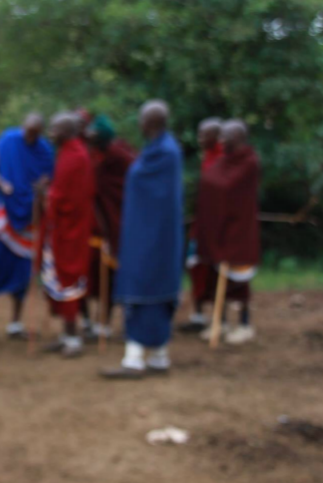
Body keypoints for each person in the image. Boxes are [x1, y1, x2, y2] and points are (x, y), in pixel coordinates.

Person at [101, 101, 184, 380]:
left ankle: (135, 359)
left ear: (150, 123)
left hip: (154, 238)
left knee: (145, 288)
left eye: (142, 119)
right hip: (145, 233)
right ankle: (158, 356)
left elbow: (154, 194)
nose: (139, 124)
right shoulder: (158, 149)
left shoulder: (165, 153)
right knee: (147, 286)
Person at [0, 114, 55, 340]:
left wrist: (42, 187)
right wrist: (2, 183)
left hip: (28, 217)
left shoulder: (45, 151)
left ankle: (15, 323)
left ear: (39, 133)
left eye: (33, 133)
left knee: (22, 269)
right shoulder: (8, 140)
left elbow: (48, 179)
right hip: (2, 213)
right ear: (22, 128)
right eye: (26, 131)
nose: (28, 136)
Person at [196, 120, 262, 345]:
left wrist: (213, 185)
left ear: (239, 139)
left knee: (240, 279)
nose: (221, 141)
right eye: (220, 137)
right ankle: (220, 321)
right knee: (217, 277)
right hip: (220, 229)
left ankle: (244, 324)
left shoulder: (249, 162)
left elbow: (226, 186)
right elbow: (210, 181)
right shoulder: (223, 160)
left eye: (226, 137)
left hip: (239, 229)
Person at [39, 113, 95, 358]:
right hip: (60, 228)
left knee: (68, 277)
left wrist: (46, 194)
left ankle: (73, 339)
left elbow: (67, 199)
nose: (51, 133)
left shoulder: (76, 156)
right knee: (59, 278)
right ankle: (65, 334)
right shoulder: (68, 152)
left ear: (67, 131)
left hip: (70, 231)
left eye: (55, 129)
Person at [80, 115, 136, 340]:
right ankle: (89, 322)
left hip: (115, 222)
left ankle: (105, 322)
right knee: (90, 272)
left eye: (94, 136)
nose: (89, 138)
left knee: (111, 273)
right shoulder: (90, 153)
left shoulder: (118, 155)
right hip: (91, 224)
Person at [180, 118, 224, 334]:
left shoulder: (224, 159)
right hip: (201, 227)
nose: (199, 139)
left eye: (204, 135)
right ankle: (197, 315)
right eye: (198, 134)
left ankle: (220, 320)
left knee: (216, 272)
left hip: (216, 230)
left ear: (216, 137)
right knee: (195, 266)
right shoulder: (207, 159)